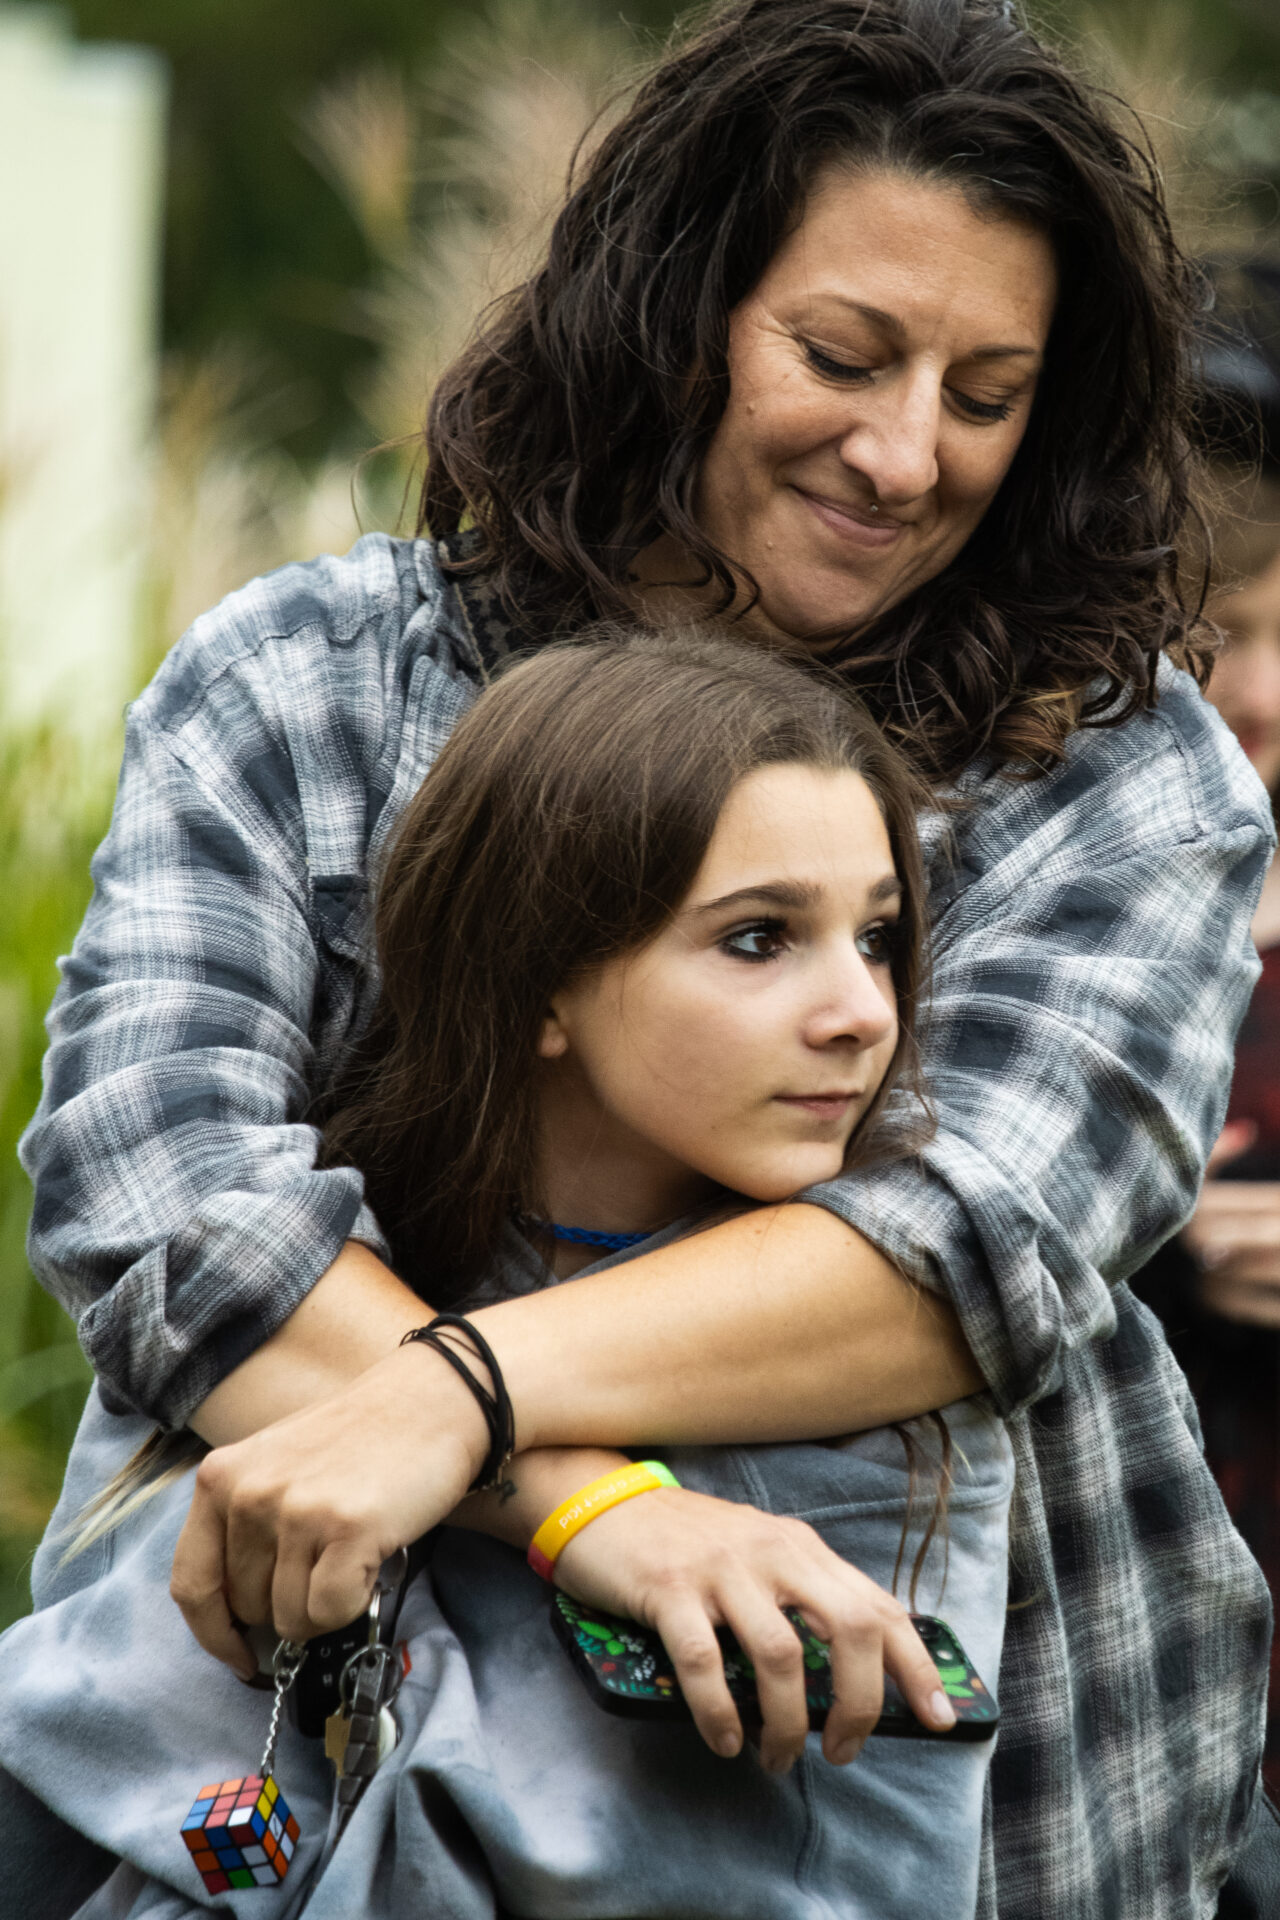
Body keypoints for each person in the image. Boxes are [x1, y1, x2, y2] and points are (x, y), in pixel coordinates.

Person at [6, 0, 1274, 1913]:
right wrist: (577, 1497)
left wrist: (449, 1400)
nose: (906, 454)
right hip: (310, 1778)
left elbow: (963, 1252)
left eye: (989, 393)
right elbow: (158, 1193)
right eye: (842, 355)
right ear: (673, 314)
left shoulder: (1113, 766)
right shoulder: (314, 684)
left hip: (1000, 1815)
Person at [0, 629, 1015, 1919]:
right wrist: (572, 1505)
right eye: (760, 939)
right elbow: (71, 1746)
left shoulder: (858, 1389)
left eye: (877, 938)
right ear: (538, 982)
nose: (863, 1011)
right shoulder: (295, 1300)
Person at [1135, 470, 1280, 1802]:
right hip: (1152, 1523)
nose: (1262, 690)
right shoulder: (1088, 907)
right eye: (1226, 634)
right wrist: (1149, 1230)